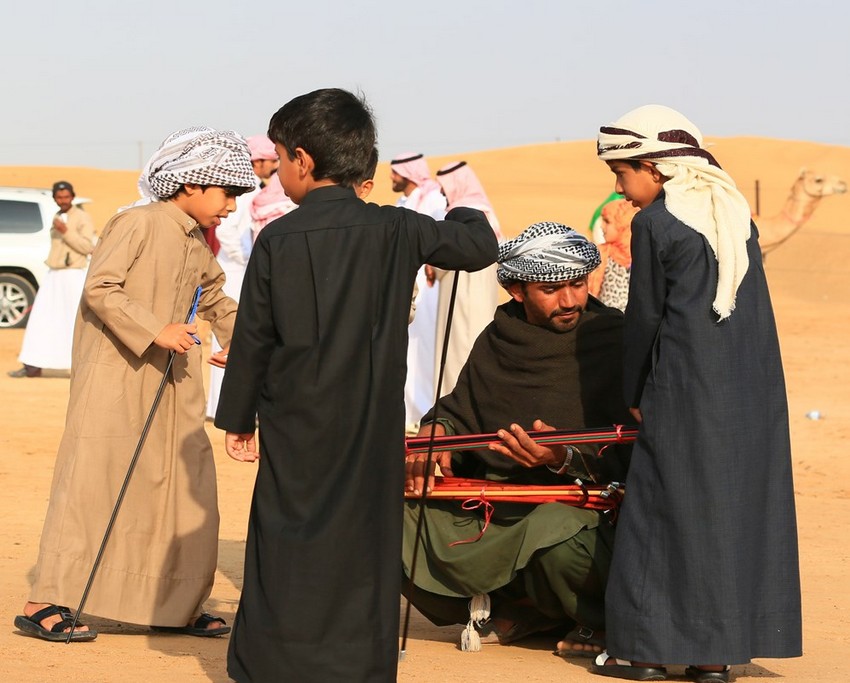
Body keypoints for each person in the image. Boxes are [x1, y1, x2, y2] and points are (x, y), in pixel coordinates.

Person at [214, 88, 498, 683]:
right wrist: (464, 208)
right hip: (370, 426)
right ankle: (356, 666)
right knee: (364, 542)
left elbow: (254, 336)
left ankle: (273, 664)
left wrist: (238, 418)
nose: (279, 170)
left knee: (284, 535)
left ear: (303, 160)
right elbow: (478, 247)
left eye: (281, 158)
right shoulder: (397, 227)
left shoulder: (278, 238)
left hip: (293, 422)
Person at [13, 127, 256, 643]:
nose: (232, 207)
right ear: (191, 183)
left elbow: (215, 297)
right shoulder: (137, 222)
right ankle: (44, 600)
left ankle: (174, 604)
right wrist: (156, 329)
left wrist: (246, 344)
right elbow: (101, 287)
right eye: (226, 193)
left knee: (180, 490)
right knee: (93, 483)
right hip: (117, 379)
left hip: (174, 383)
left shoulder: (193, 239)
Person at [590, 105, 802, 682]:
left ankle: (648, 654)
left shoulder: (656, 224)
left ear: (655, 167)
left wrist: (635, 390)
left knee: (661, 510)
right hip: (749, 390)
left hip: (682, 389)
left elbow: (644, 319)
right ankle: (713, 659)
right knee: (727, 511)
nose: (619, 189)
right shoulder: (736, 217)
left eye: (622, 173)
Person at [403, 221, 635, 657]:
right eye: (551, 289)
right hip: (496, 504)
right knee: (391, 515)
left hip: (582, 510)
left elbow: (636, 447)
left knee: (557, 537)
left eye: (578, 284)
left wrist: (560, 456)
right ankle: (521, 612)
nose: (570, 300)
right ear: (516, 290)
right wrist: (439, 430)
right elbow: (463, 409)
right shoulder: (498, 339)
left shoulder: (614, 339)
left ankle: (595, 619)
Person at [206, 134, 293, 419]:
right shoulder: (242, 190)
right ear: (257, 161)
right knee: (231, 336)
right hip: (235, 271)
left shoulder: (265, 189)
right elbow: (225, 230)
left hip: (249, 269)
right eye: (270, 160)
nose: (274, 166)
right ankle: (223, 405)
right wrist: (250, 258)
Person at [8, 181, 96, 378]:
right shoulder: (57, 215)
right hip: (53, 275)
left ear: (72, 197)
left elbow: (87, 247)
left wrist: (66, 232)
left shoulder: (82, 217)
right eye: (59, 197)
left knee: (74, 321)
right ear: (55, 198)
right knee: (41, 320)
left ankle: (80, 368)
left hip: (72, 275)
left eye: (66, 197)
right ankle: (32, 365)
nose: (63, 200)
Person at [432, 160, 503, 395]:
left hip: (462, 292)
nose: (443, 192)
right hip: (482, 293)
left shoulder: (461, 214)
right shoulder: (486, 211)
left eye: (445, 187)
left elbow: (449, 255)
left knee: (458, 351)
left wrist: (433, 265)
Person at [390, 151, 447, 431]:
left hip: (427, 286)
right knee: (407, 347)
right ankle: (407, 411)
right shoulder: (403, 202)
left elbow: (438, 239)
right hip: (406, 283)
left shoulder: (434, 199)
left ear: (408, 172)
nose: (391, 177)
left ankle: (426, 410)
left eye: (395, 171)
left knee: (424, 348)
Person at [587, 198, 638, 312]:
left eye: (607, 221)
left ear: (623, 223)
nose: (602, 226)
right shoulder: (600, 254)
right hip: (605, 318)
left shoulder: (643, 255)